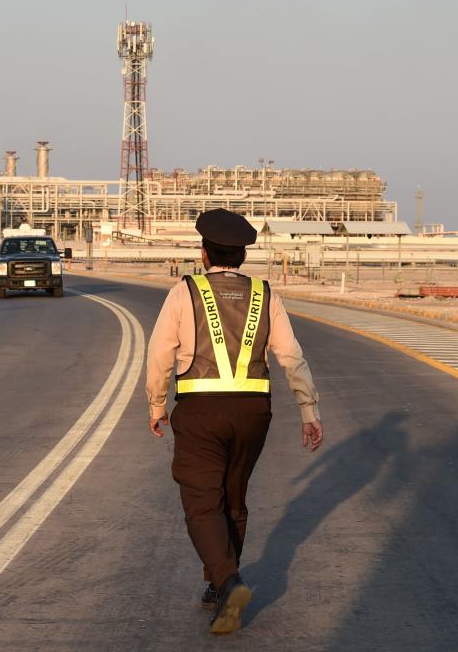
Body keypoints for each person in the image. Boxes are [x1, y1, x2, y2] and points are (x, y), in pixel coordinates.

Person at [145, 208, 324, 635]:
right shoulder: (266, 294)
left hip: (201, 412)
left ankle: (228, 581)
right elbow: (291, 356)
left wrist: (156, 406)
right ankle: (218, 586)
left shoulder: (184, 292)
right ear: (242, 255)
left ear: (204, 252)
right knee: (233, 497)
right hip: (252, 413)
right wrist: (309, 409)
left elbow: (159, 356)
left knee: (201, 501)